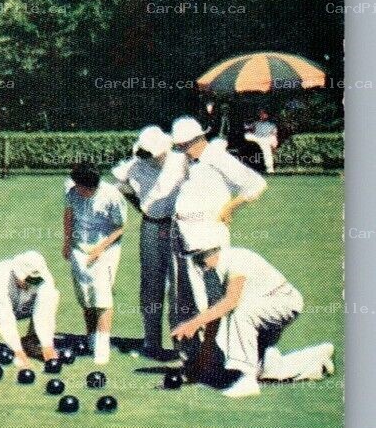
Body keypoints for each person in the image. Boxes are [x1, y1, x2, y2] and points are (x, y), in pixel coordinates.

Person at [173, 222, 334, 398]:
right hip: (261, 310)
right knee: (267, 370)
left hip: (284, 302)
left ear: (213, 251)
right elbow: (215, 315)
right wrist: (202, 362)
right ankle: (317, 360)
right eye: (194, 258)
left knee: (241, 311)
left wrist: (193, 323)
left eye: (199, 257)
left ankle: (245, 380)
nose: (197, 263)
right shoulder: (212, 273)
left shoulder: (236, 259)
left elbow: (231, 301)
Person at [168, 115, 267, 362]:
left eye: (185, 145)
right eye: (180, 146)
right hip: (185, 237)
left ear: (198, 139)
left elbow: (256, 184)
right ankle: (197, 354)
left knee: (213, 296)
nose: (183, 150)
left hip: (208, 238)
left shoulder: (218, 158)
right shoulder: (190, 161)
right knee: (189, 296)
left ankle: (217, 356)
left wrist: (229, 208)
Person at [111, 126, 186, 360]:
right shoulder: (135, 164)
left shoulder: (182, 161)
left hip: (178, 226)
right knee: (151, 284)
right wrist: (142, 208)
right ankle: (151, 341)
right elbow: (121, 184)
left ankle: (181, 344)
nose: (150, 158)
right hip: (151, 225)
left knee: (179, 285)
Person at [62, 163, 126, 365]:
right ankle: (91, 338)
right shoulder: (72, 192)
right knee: (85, 296)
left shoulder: (112, 196)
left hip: (105, 249)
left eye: (81, 188)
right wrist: (67, 242)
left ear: (92, 186)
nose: (78, 190)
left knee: (102, 297)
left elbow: (119, 228)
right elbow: (69, 215)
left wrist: (100, 249)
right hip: (79, 248)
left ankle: (102, 346)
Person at [0, 251, 59, 369]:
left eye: (35, 280)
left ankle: (30, 342)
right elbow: (3, 317)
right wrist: (18, 352)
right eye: (29, 279)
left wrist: (47, 346)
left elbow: (44, 312)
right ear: (18, 273)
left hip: (22, 305)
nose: (33, 282)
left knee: (52, 296)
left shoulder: (43, 277)